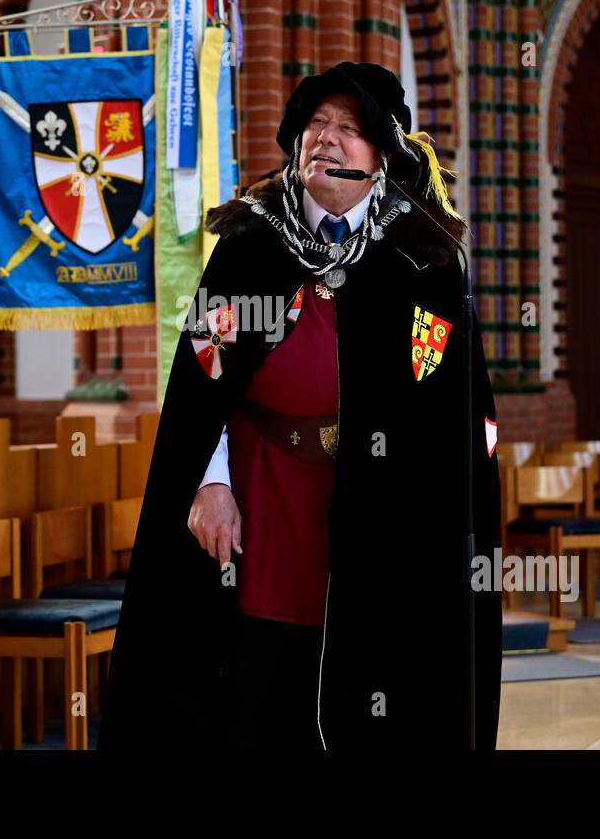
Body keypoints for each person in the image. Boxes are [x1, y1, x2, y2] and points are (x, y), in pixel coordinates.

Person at [99, 62, 502, 750]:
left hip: (379, 510)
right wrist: (212, 480)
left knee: (374, 685)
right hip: (264, 494)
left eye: (350, 128)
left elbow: (453, 404)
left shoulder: (422, 256)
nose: (329, 140)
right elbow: (204, 380)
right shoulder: (250, 248)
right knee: (259, 679)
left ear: (381, 154)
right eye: (316, 125)